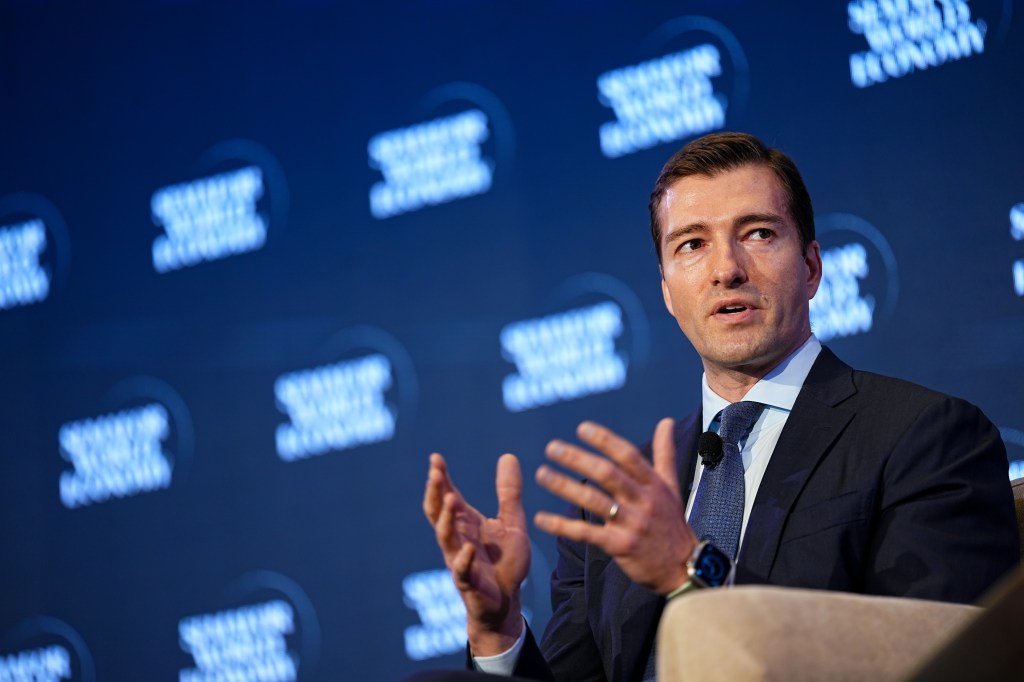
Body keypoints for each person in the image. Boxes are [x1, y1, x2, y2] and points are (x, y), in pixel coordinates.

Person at [420, 132, 1018, 682]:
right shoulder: (619, 503)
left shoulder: (923, 437)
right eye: (692, 244)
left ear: (811, 267)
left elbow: (946, 658)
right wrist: (497, 631)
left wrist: (689, 571)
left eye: (758, 233)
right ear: (667, 291)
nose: (726, 270)